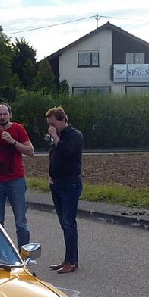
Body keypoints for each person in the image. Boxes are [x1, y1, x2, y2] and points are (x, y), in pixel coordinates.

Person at [0, 103, 34, 246]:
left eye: (5, 114)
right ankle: (0, 252)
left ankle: (24, 253)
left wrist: (13, 142)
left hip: (16, 180)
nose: (2, 117)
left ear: (10, 115)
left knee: (20, 221)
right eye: (0, 114)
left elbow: (31, 151)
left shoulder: (18, 129)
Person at [46, 106, 84, 274]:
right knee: (63, 222)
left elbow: (67, 153)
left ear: (63, 120)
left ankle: (72, 261)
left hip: (70, 184)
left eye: (53, 124)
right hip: (57, 184)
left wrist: (55, 137)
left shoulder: (75, 135)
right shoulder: (58, 138)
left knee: (69, 223)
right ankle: (67, 259)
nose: (50, 128)